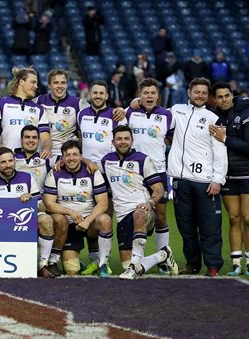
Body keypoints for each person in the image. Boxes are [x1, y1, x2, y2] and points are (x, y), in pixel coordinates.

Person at [101, 126, 178, 279]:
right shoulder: (106, 161)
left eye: (126, 139)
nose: (123, 142)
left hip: (143, 212)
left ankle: (133, 267)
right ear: (113, 142)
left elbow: (159, 189)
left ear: (132, 141)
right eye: (119, 139)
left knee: (139, 213)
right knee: (125, 264)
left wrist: (149, 203)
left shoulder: (143, 159)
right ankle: (162, 255)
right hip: (123, 217)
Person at [168, 77, 227, 276]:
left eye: (203, 92)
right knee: (186, 227)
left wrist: (218, 179)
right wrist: (133, 104)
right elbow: (155, 117)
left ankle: (212, 265)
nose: (200, 95)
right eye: (196, 92)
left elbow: (220, 152)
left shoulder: (213, 119)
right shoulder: (176, 110)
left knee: (210, 227)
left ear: (207, 95)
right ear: (189, 92)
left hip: (205, 182)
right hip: (180, 181)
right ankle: (192, 264)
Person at [0, 146, 54, 274]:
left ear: (14, 161)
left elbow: (42, 207)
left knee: (45, 219)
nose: (7, 165)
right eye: (3, 162)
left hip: (22, 224)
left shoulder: (27, 178)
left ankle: (43, 264)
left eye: (10, 161)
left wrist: (31, 200)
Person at [44, 140, 113, 277]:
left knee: (105, 219)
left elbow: (103, 203)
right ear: (62, 158)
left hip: (89, 221)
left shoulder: (92, 172)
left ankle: (103, 263)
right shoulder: (55, 173)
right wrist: (70, 212)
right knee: (71, 271)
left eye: (75, 154)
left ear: (81, 156)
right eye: (67, 155)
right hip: (68, 223)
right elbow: (49, 203)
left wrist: (88, 220)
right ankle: (72, 259)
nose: (71, 158)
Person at [126, 77, 174, 274]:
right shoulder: (130, 112)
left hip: (158, 172)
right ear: (140, 94)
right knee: (138, 214)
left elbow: (172, 139)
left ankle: (164, 258)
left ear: (158, 96)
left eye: (153, 93)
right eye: (145, 93)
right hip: (135, 174)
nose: (149, 96)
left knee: (161, 216)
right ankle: (137, 258)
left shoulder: (167, 116)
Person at [209, 85, 249, 276]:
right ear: (214, 99)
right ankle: (236, 263)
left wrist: (224, 138)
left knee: (248, 219)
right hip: (228, 176)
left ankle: (248, 261)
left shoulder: (245, 112)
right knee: (234, 218)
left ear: (232, 96)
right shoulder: (213, 117)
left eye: (227, 95)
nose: (224, 99)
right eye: (220, 97)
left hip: (247, 174)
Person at [35, 69, 89, 166]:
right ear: (49, 85)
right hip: (44, 154)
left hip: (68, 156)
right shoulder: (39, 101)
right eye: (56, 82)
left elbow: (98, 113)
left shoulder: (78, 103)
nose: (60, 86)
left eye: (63, 83)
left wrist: (118, 110)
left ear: (67, 85)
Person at [0, 67, 49, 154]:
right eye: (33, 82)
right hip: (8, 163)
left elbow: (45, 137)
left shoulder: (39, 110)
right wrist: (1, 153)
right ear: (21, 82)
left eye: (37, 83)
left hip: (31, 164)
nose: (36, 86)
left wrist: (46, 148)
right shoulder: (1, 104)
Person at [78, 80, 127, 173]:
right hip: (86, 169)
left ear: (107, 96)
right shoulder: (81, 114)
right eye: (95, 93)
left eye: (101, 93)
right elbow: (80, 137)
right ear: (90, 94)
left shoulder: (117, 115)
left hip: (109, 170)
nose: (98, 96)